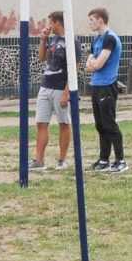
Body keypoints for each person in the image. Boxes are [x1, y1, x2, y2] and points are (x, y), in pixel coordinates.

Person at [32, 11, 76, 171]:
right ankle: (39, 160)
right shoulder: (54, 39)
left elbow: (74, 70)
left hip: (60, 88)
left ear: (57, 23)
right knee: (41, 123)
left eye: (50, 22)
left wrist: (67, 92)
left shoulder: (72, 42)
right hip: (46, 86)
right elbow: (42, 58)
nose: (48, 26)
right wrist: (43, 40)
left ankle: (62, 160)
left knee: (64, 123)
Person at [85, 7, 127, 173]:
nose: (90, 24)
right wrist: (92, 64)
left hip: (107, 85)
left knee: (110, 123)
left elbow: (98, 64)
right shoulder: (96, 40)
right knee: (100, 124)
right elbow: (88, 65)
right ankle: (104, 159)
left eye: (92, 20)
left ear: (100, 20)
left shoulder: (110, 38)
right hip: (96, 85)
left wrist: (93, 64)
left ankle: (121, 160)